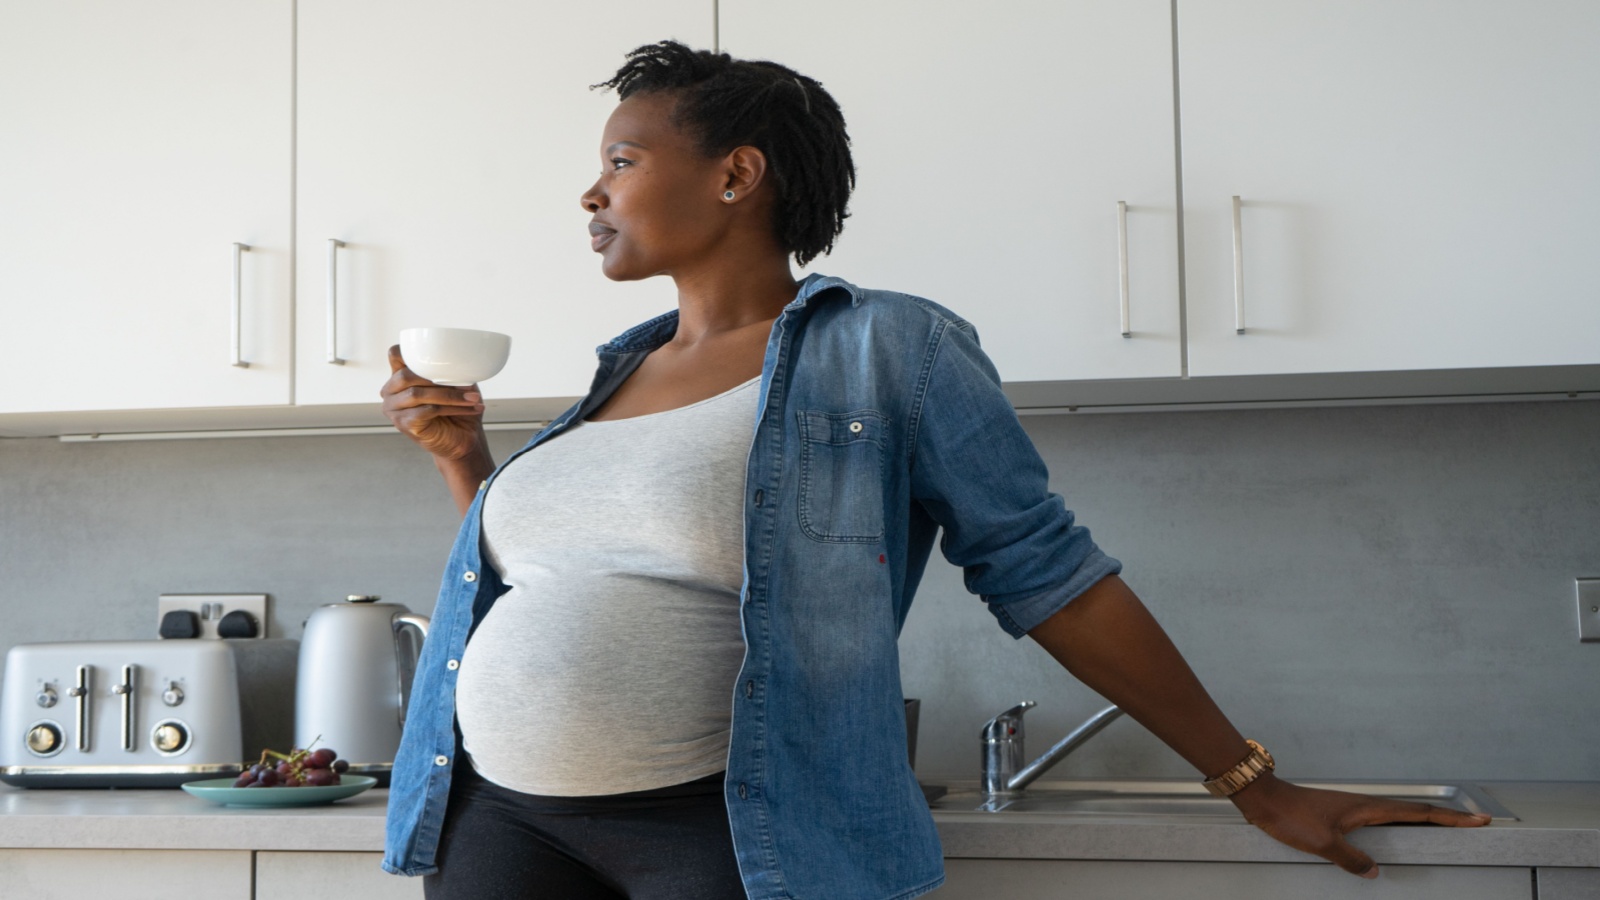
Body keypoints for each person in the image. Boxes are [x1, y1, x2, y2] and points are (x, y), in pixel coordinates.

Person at [378, 40, 1489, 900]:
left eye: (620, 161)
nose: (591, 193)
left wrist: (1252, 783)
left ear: (737, 175)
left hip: (730, 830)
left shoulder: (888, 348)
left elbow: (1047, 572)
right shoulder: (615, 375)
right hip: (494, 818)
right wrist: (465, 461)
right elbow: (551, 587)